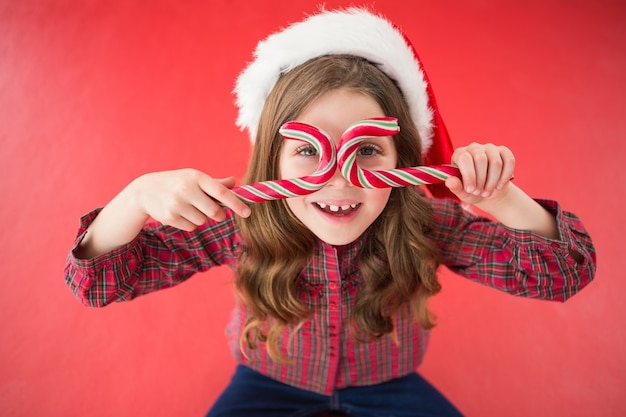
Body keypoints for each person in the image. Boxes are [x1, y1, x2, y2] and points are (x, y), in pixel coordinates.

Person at [64, 8, 596, 417]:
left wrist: (499, 197)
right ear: (272, 156)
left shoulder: (426, 222)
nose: (339, 179)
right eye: (307, 150)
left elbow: (561, 273)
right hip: (269, 379)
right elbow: (99, 283)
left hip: (388, 382)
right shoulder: (241, 221)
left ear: (403, 159)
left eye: (367, 149)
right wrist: (133, 198)